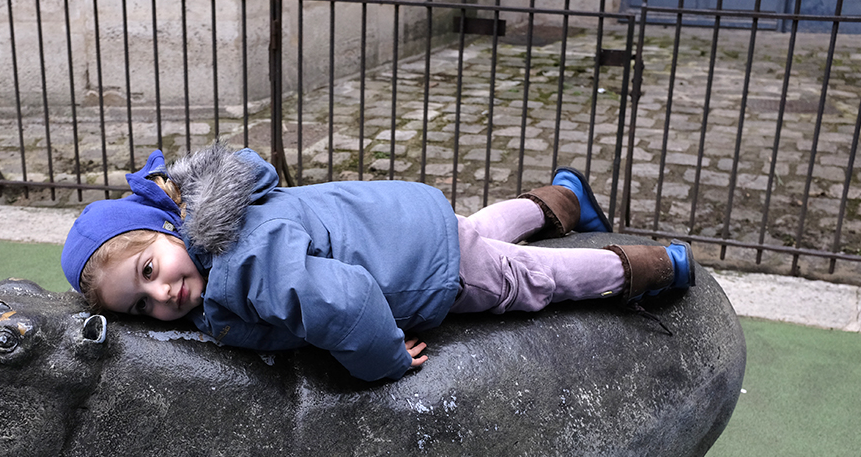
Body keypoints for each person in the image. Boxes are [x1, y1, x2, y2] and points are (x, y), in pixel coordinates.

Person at [61, 143, 693, 382]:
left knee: (527, 280)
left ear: (169, 228)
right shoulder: (220, 223)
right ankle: (563, 199)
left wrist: (384, 359)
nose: (163, 295)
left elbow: (348, 303)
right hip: (406, 221)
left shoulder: (245, 265)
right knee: (475, 232)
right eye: (141, 306)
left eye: (150, 270)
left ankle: (656, 268)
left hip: (418, 265)